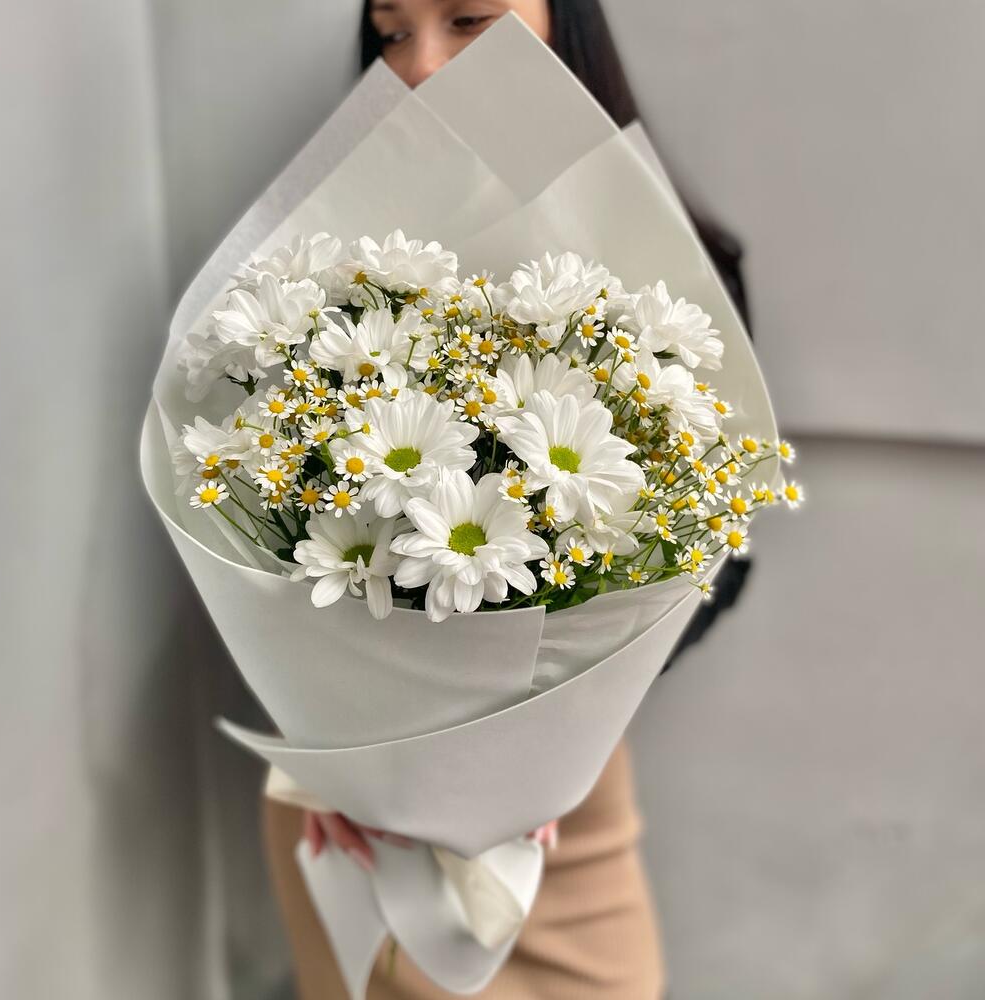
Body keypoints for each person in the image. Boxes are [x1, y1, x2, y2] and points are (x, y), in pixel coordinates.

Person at [264, 2, 753, 996]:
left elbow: (722, 561)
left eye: (469, 20)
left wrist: (534, 724)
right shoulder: (329, 275)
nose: (420, 65)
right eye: (390, 31)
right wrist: (342, 753)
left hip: (558, 815)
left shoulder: (672, 269)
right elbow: (277, 535)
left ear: (563, 23)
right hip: (356, 822)